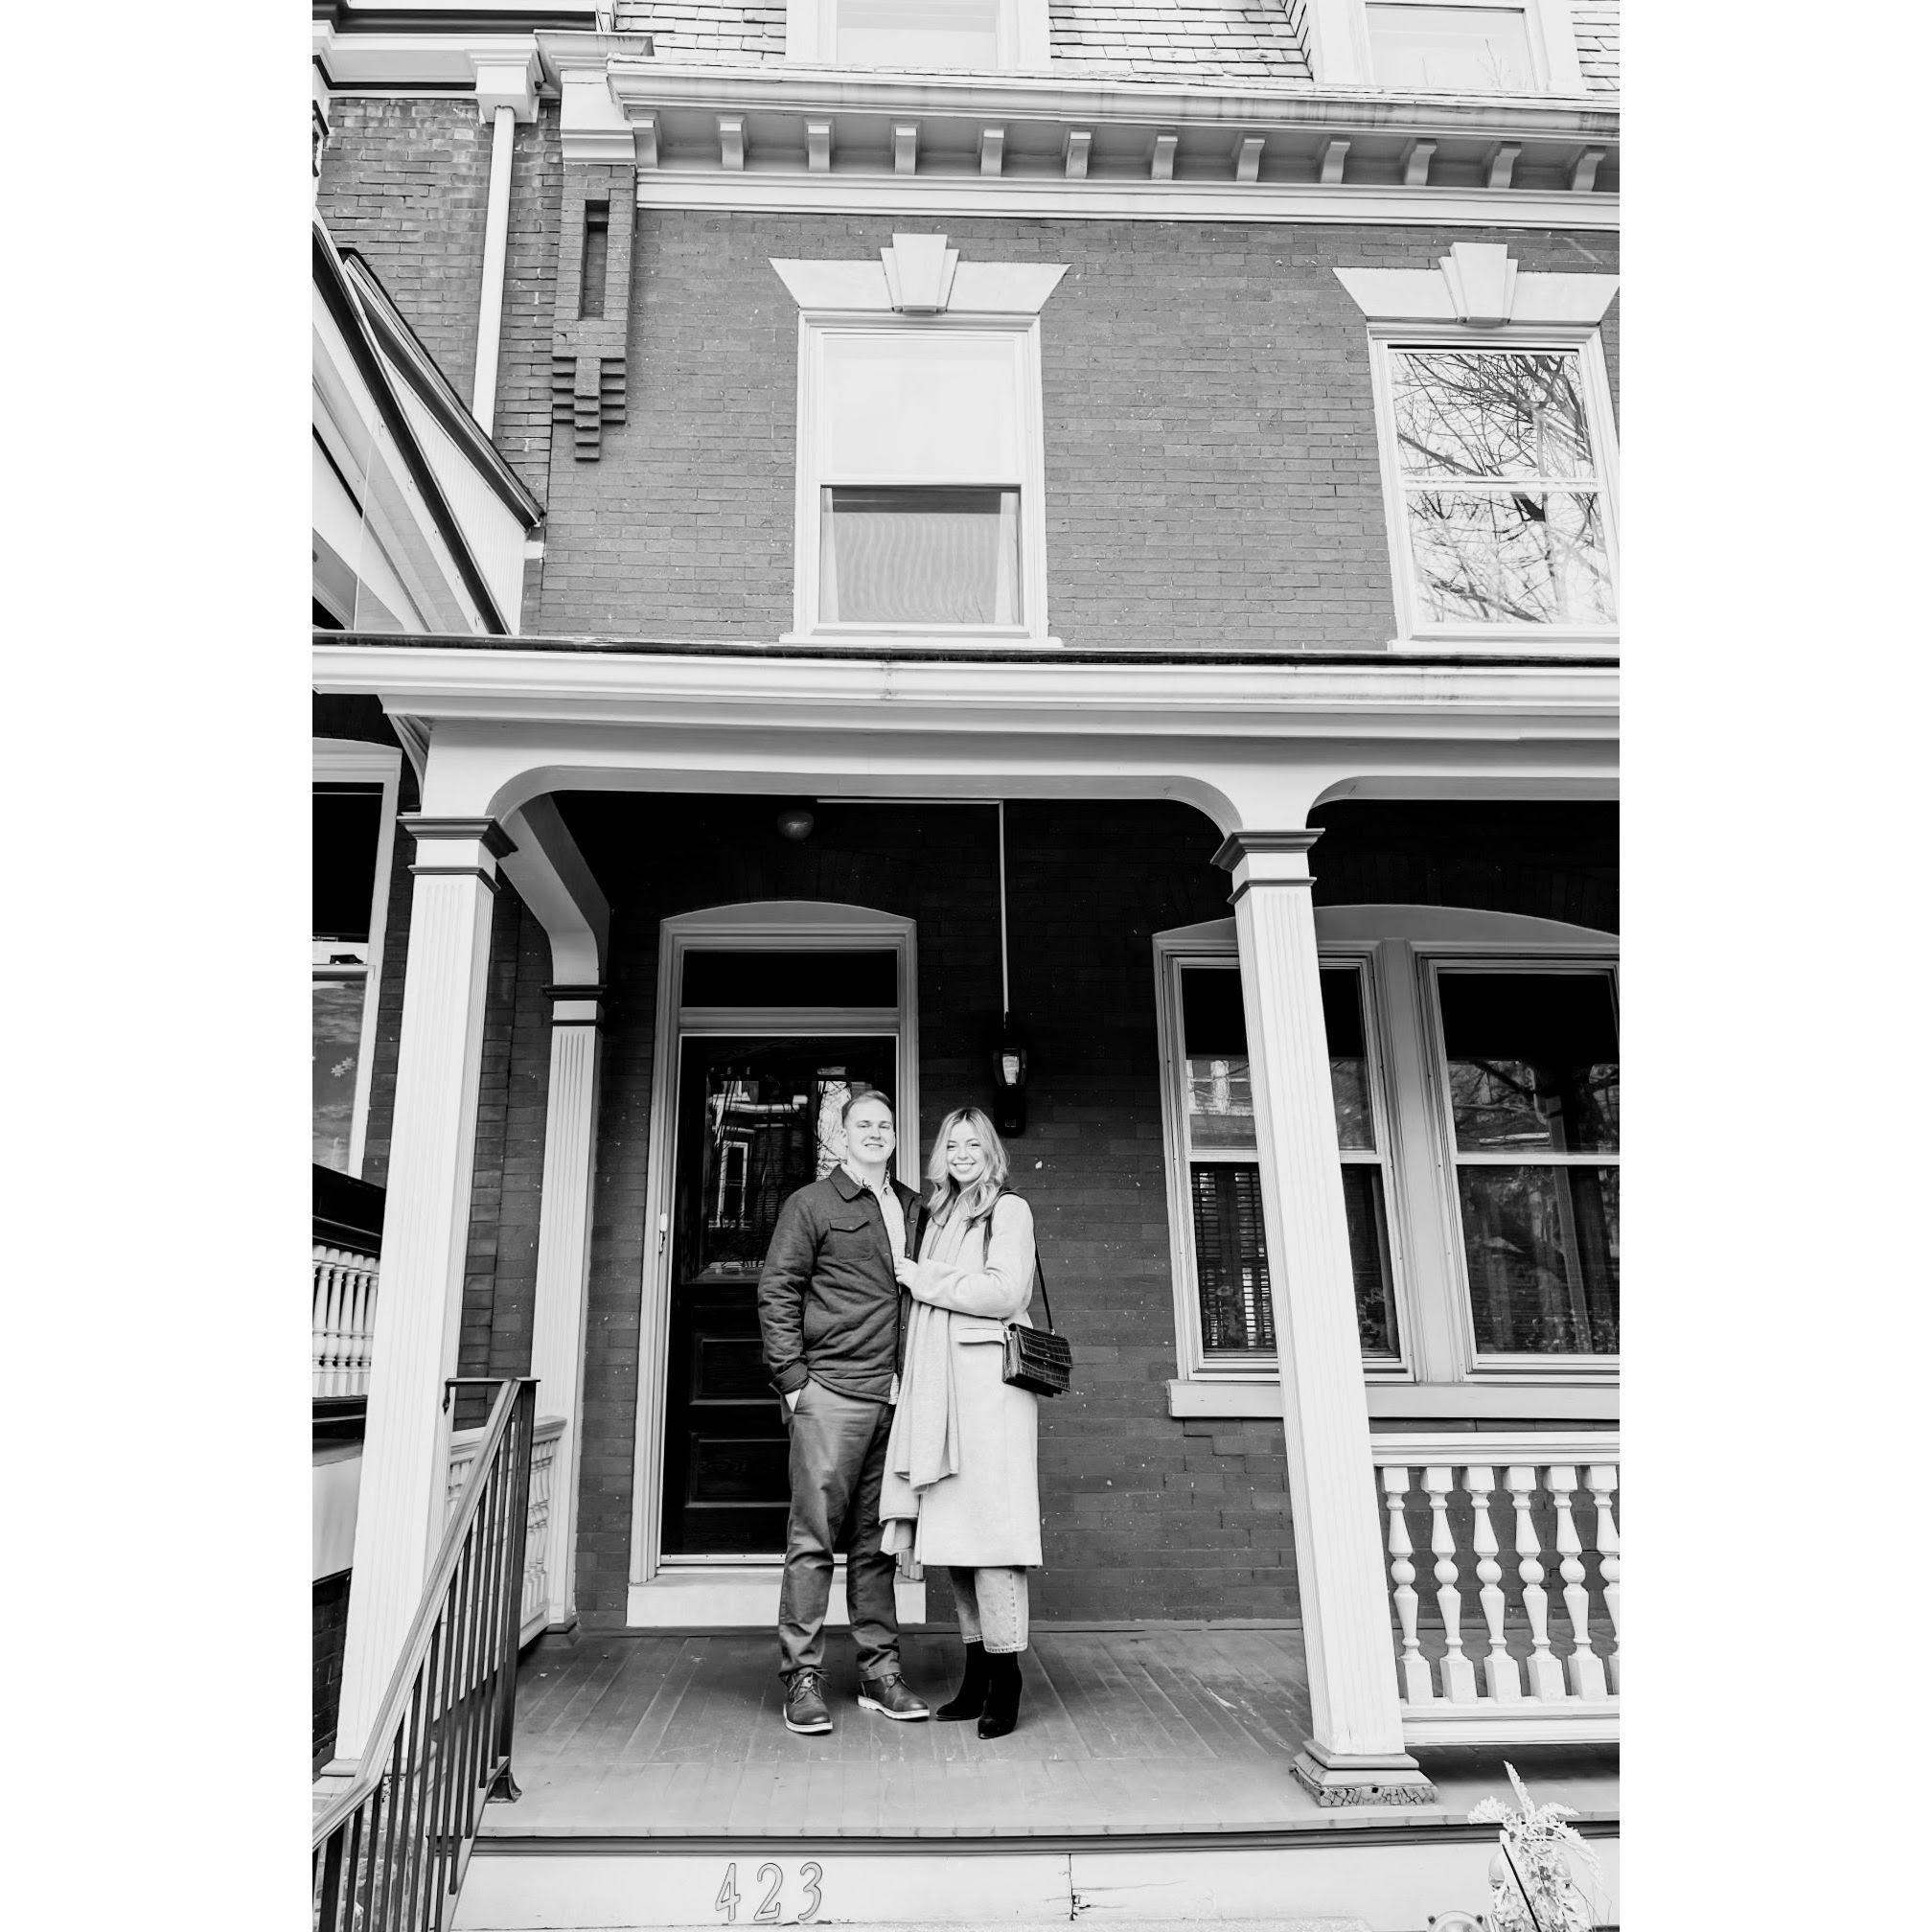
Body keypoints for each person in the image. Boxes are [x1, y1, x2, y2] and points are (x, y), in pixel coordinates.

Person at [756, 1087, 932, 1736]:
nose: (876, 1133)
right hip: (831, 1392)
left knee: (876, 1544)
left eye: (885, 1125)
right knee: (813, 1541)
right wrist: (793, 1381)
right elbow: (778, 1289)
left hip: (896, 1397)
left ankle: (881, 1674)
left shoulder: (913, 1207)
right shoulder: (811, 1204)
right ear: (842, 1132)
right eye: (864, 1124)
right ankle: (802, 1678)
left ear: (895, 1135)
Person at [881, 1106, 1042, 1739]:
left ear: (991, 1151)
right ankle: (976, 1677)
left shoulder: (1008, 1209)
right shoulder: (940, 1215)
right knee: (955, 1540)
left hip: (988, 1397)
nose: (963, 1154)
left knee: (992, 1541)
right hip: (940, 1397)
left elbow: (1005, 1292)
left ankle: (1007, 1678)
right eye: (953, 1145)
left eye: (974, 1144)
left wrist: (926, 1279)